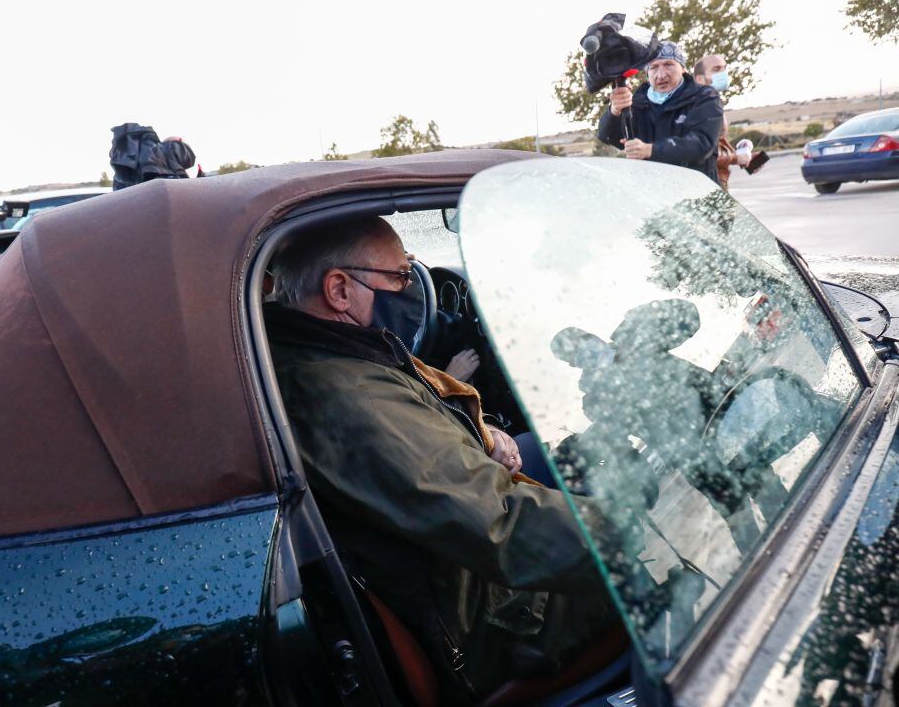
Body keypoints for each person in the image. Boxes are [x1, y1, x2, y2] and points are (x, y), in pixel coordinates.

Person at [265, 216, 618, 703]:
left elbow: (418, 438)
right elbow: (498, 525)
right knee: (676, 581)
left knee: (552, 450)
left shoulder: (324, 354)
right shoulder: (344, 399)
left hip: (453, 574)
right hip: (493, 621)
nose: (411, 286)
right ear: (339, 290)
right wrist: (636, 534)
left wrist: (479, 429)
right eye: (399, 276)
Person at [598, 40, 725, 183]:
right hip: (653, 193)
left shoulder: (704, 97)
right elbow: (607, 136)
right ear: (647, 73)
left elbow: (702, 143)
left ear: (683, 68)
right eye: (653, 67)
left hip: (696, 192)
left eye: (669, 65)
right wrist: (614, 111)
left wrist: (650, 150)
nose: (661, 75)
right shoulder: (637, 102)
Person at [693, 54, 765, 190]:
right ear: (700, 79)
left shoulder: (713, 102)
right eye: (716, 69)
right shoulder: (700, 107)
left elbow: (717, 144)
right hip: (706, 185)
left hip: (717, 181)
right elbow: (702, 152)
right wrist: (736, 158)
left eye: (724, 68)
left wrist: (743, 158)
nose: (723, 73)